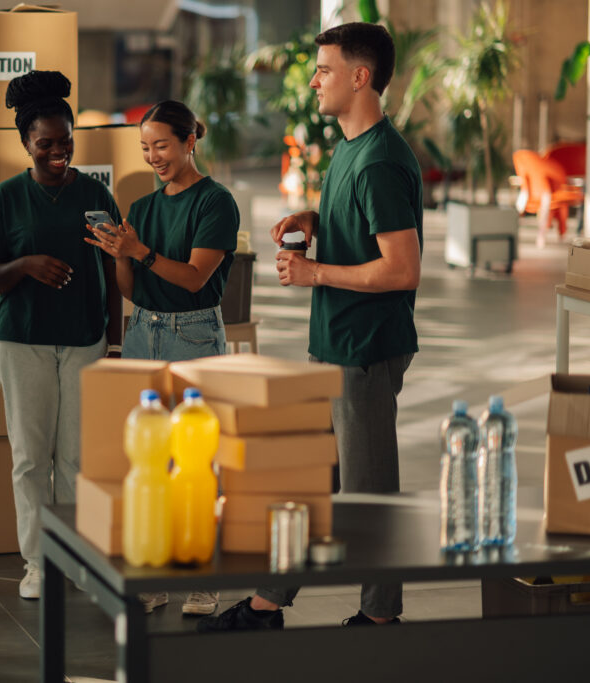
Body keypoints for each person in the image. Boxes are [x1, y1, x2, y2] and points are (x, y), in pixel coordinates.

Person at [197, 21, 422, 633]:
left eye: (325, 70)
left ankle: (380, 618)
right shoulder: (351, 147)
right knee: (306, 482)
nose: (314, 80)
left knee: (368, 493)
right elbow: (361, 223)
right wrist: (316, 219)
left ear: (360, 76)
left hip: (366, 350)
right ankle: (270, 603)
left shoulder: (379, 159)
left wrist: (316, 272)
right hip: (334, 343)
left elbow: (402, 270)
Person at [85, 99, 239, 617]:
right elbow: (132, 288)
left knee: (198, 461)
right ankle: (153, 575)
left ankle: (202, 579)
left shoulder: (216, 202)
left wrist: (142, 253)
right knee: (147, 460)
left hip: (194, 335)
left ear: (190, 140)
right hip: (142, 333)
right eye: (145, 148)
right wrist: (119, 257)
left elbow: (196, 277)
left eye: (163, 145)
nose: (154, 156)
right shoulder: (143, 208)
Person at [0, 70, 123, 599]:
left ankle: (75, 556)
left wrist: (115, 337)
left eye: (65, 142)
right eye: (45, 144)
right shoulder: (5, 199)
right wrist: (25, 265)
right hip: (23, 340)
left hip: (84, 339)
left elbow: (112, 271)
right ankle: (38, 564)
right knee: (31, 457)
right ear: (25, 144)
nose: (57, 152)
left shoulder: (95, 192)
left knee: (77, 459)